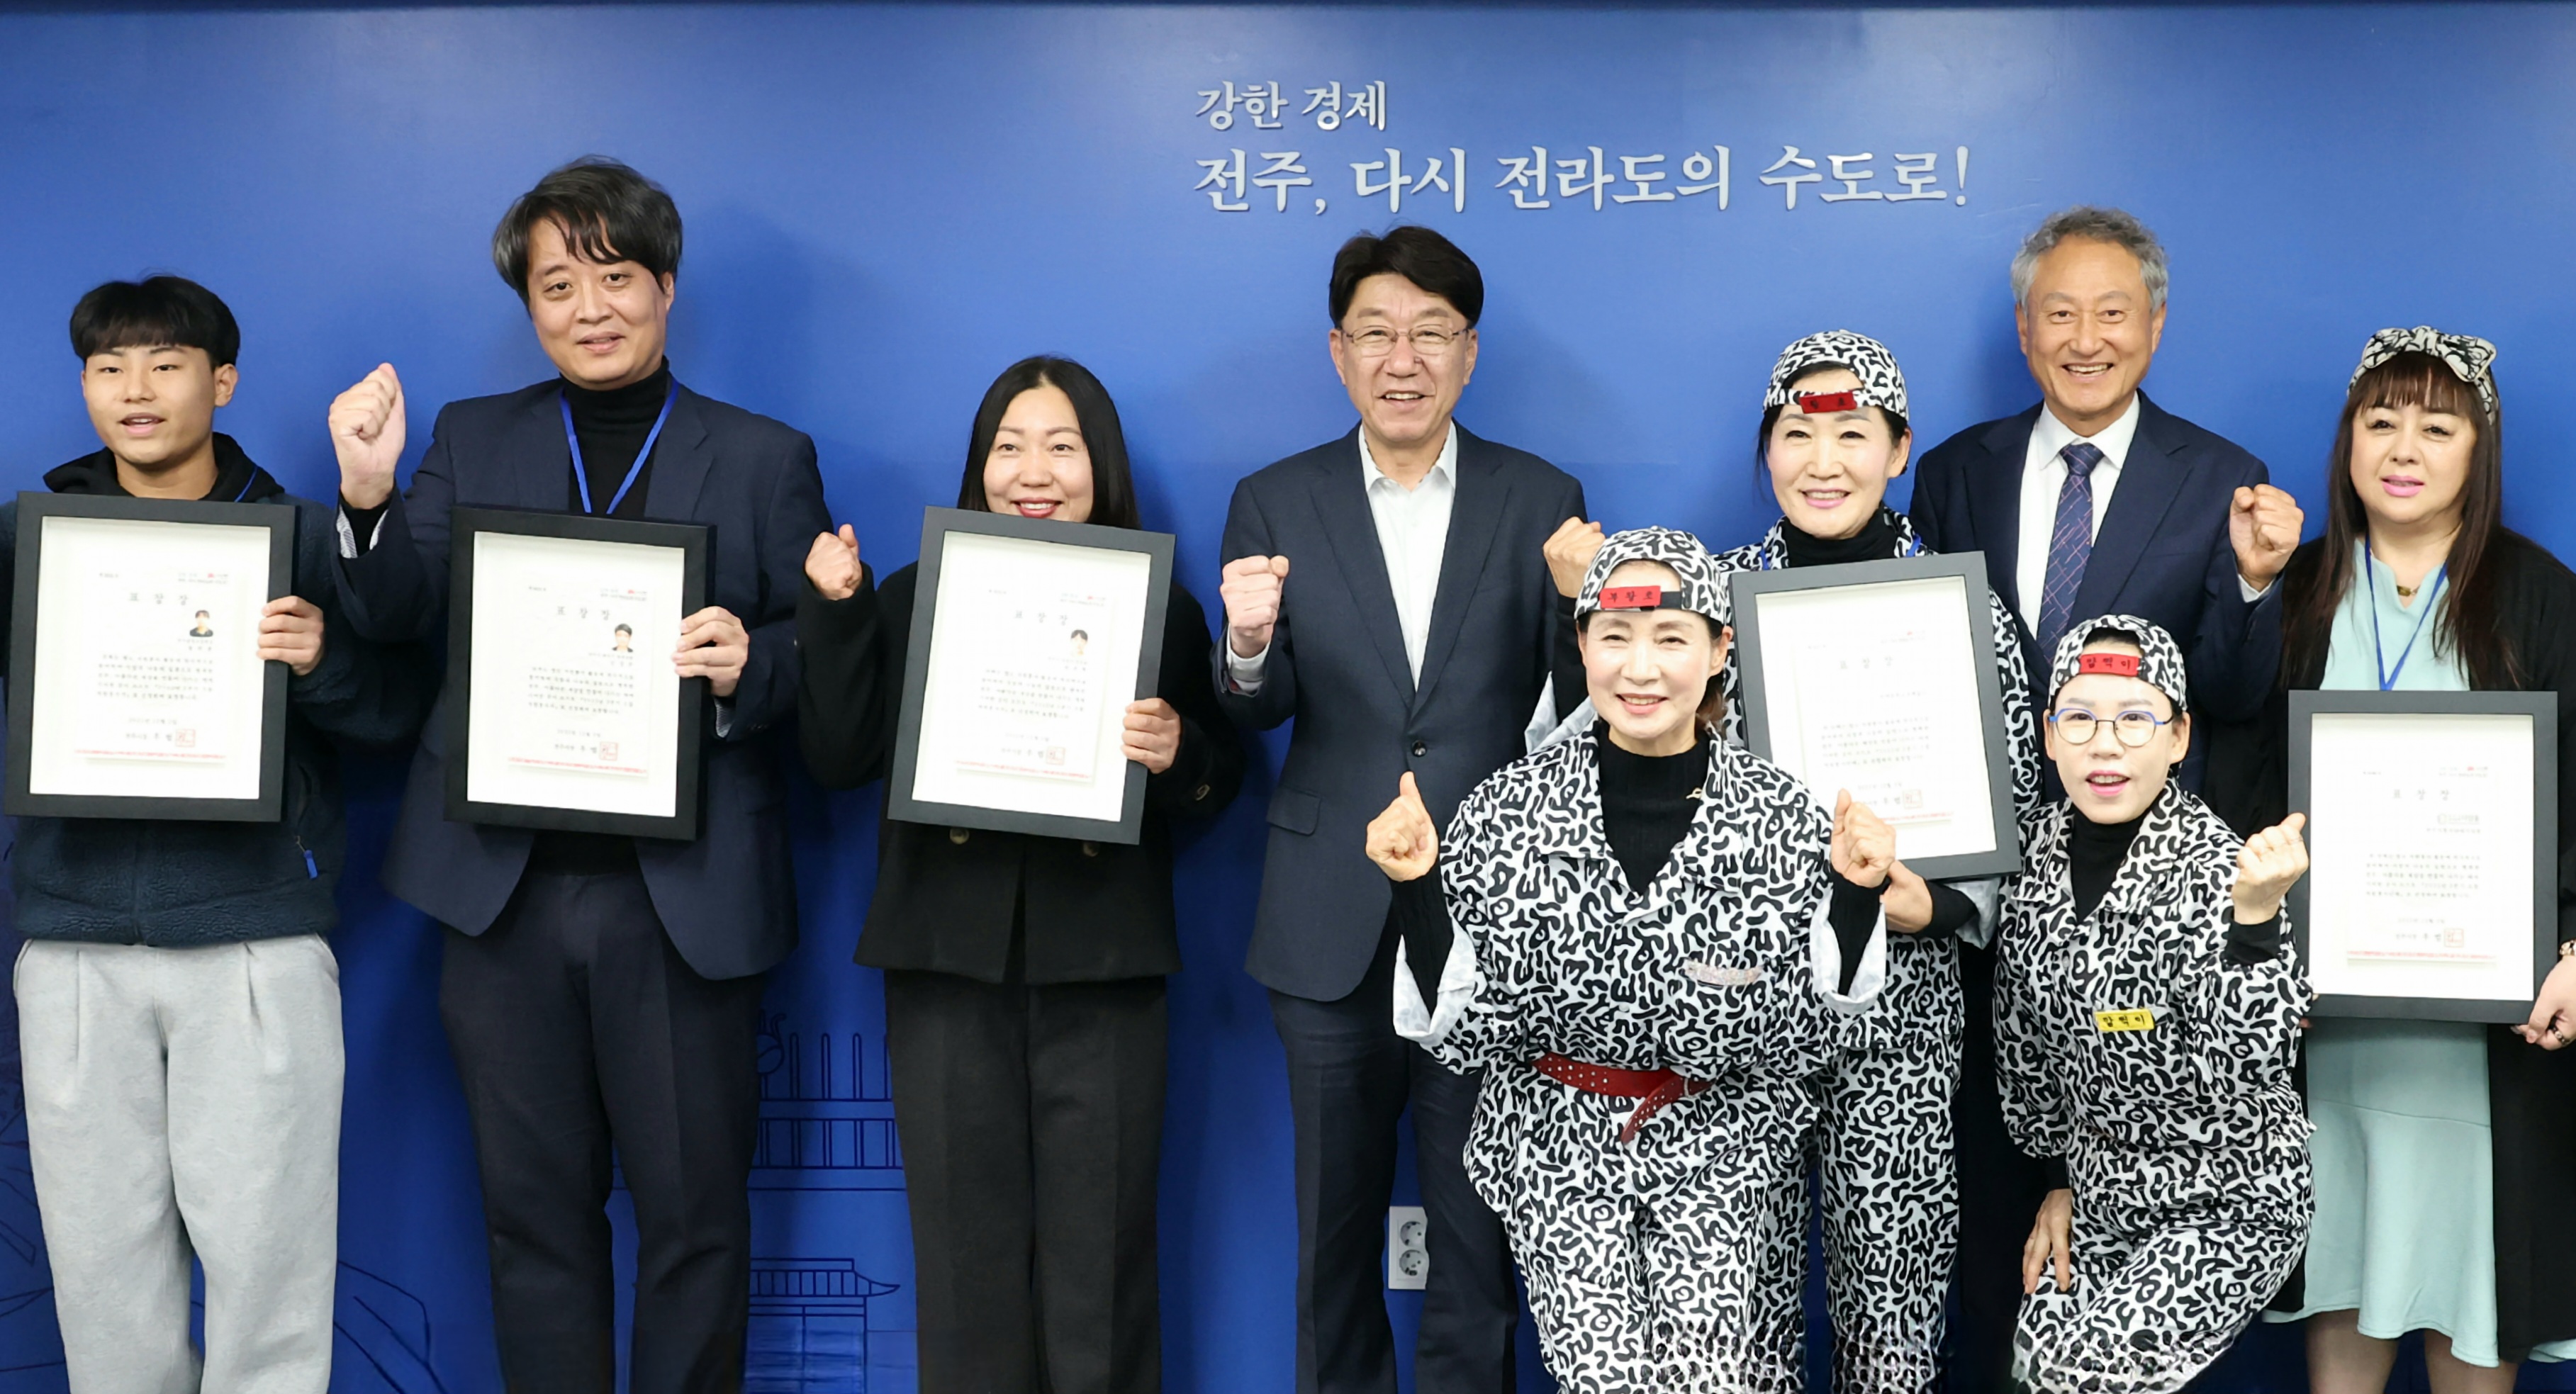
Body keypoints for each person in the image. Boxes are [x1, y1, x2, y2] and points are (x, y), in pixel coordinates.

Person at [323, 157, 830, 1393]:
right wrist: (367, 493)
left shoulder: (763, 456)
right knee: (530, 1217)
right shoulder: (472, 434)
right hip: (502, 895)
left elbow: (816, 648)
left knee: (695, 1219)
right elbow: (395, 615)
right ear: (529, 305)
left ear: (665, 286)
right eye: (558, 286)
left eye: (614, 278)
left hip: (682, 901)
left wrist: (750, 663)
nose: (589, 308)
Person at [1905, 206, 2305, 1385]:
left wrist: (2253, 584)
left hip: (2141, 909)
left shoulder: (2221, 477)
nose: (2085, 338)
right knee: (1998, 1223)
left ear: (2155, 325)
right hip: (1990, 895)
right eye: (2059, 313)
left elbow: (2228, 695)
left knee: (2112, 1295)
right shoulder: (1956, 471)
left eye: (2112, 312)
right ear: (2022, 329)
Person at [3, 276, 425, 1393]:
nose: (135, 389)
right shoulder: (32, 541)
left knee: (269, 1269)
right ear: (84, 386)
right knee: (102, 1278)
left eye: (166, 362)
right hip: (75, 942)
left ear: (222, 381)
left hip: (255, 940)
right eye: (108, 367)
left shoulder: (299, 537)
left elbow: (397, 712)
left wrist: (319, 660)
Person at [795, 356, 1243, 1394]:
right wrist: (837, 610)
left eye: (1060, 446)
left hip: (1105, 968)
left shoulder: (1161, 609)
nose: (1032, 471)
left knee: (1104, 1273)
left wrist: (1178, 751)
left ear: (1101, 465)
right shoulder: (909, 596)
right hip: (947, 965)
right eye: (1008, 446)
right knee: (966, 1274)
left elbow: (1219, 783)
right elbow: (837, 754)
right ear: (978, 465)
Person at [1363, 528, 1898, 1393]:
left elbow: (1813, 1035)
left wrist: (1854, 893)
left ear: (1719, 650)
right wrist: (1417, 887)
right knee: (1602, 1375)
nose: (1640, 669)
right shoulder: (1506, 813)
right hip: (1557, 1141)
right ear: (1582, 646)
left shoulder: (1783, 817)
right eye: (1614, 636)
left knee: (1706, 1376)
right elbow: (1463, 1034)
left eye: (1671, 638)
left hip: (1721, 1145)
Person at [1215, 225, 1587, 1394]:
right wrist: (1245, 642)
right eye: (1375, 333)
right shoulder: (1274, 499)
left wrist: (1578, 611)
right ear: (1338, 354)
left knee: (1478, 1234)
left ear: (1468, 353)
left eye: (1430, 332)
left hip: (1488, 918)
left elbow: (1578, 715)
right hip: (1326, 916)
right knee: (1331, 1230)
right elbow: (1256, 706)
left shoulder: (1541, 498)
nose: (1402, 358)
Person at [1709, 331, 2044, 1394]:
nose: (1823, 462)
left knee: (1893, 1305)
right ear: (1765, 450)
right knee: (1736, 1302)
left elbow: (2020, 798)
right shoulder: (1709, 604)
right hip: (1748, 1000)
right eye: (1796, 435)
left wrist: (1935, 904)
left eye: (1852, 436)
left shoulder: (1962, 607)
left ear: (1898, 451)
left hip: (1904, 1003)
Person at [2247, 330, 2576, 1388]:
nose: (2402, 449)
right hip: (2325, 1016)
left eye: (2437, 427)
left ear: (2479, 450)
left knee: (2472, 1287)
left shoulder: (2541, 595)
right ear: (2346, 438)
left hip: (2490, 1029)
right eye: (2380, 420)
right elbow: (2235, 783)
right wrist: (2256, 956)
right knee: (2342, 1266)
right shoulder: (2293, 590)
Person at [1995, 616, 2313, 1393]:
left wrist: (2254, 921)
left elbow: (2245, 1067)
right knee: (2029, 1366)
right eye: (2080, 718)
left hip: (2224, 1199)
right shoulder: (2033, 851)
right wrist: (2059, 1178)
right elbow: (2022, 1038)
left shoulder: (2224, 870)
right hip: (2098, 1192)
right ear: (2049, 735)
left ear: (2178, 737)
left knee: (2083, 1375)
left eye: (2135, 718)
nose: (2105, 745)